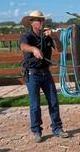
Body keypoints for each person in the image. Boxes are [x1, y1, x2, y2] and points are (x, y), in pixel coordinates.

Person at [20, 10, 69, 143]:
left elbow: (60, 49)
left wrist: (54, 37)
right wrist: (34, 49)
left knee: (53, 101)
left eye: (43, 20)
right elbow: (23, 46)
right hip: (32, 73)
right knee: (35, 104)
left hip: (45, 73)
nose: (42, 22)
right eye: (39, 20)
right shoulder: (27, 36)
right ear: (32, 22)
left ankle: (57, 128)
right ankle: (36, 131)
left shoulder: (48, 36)